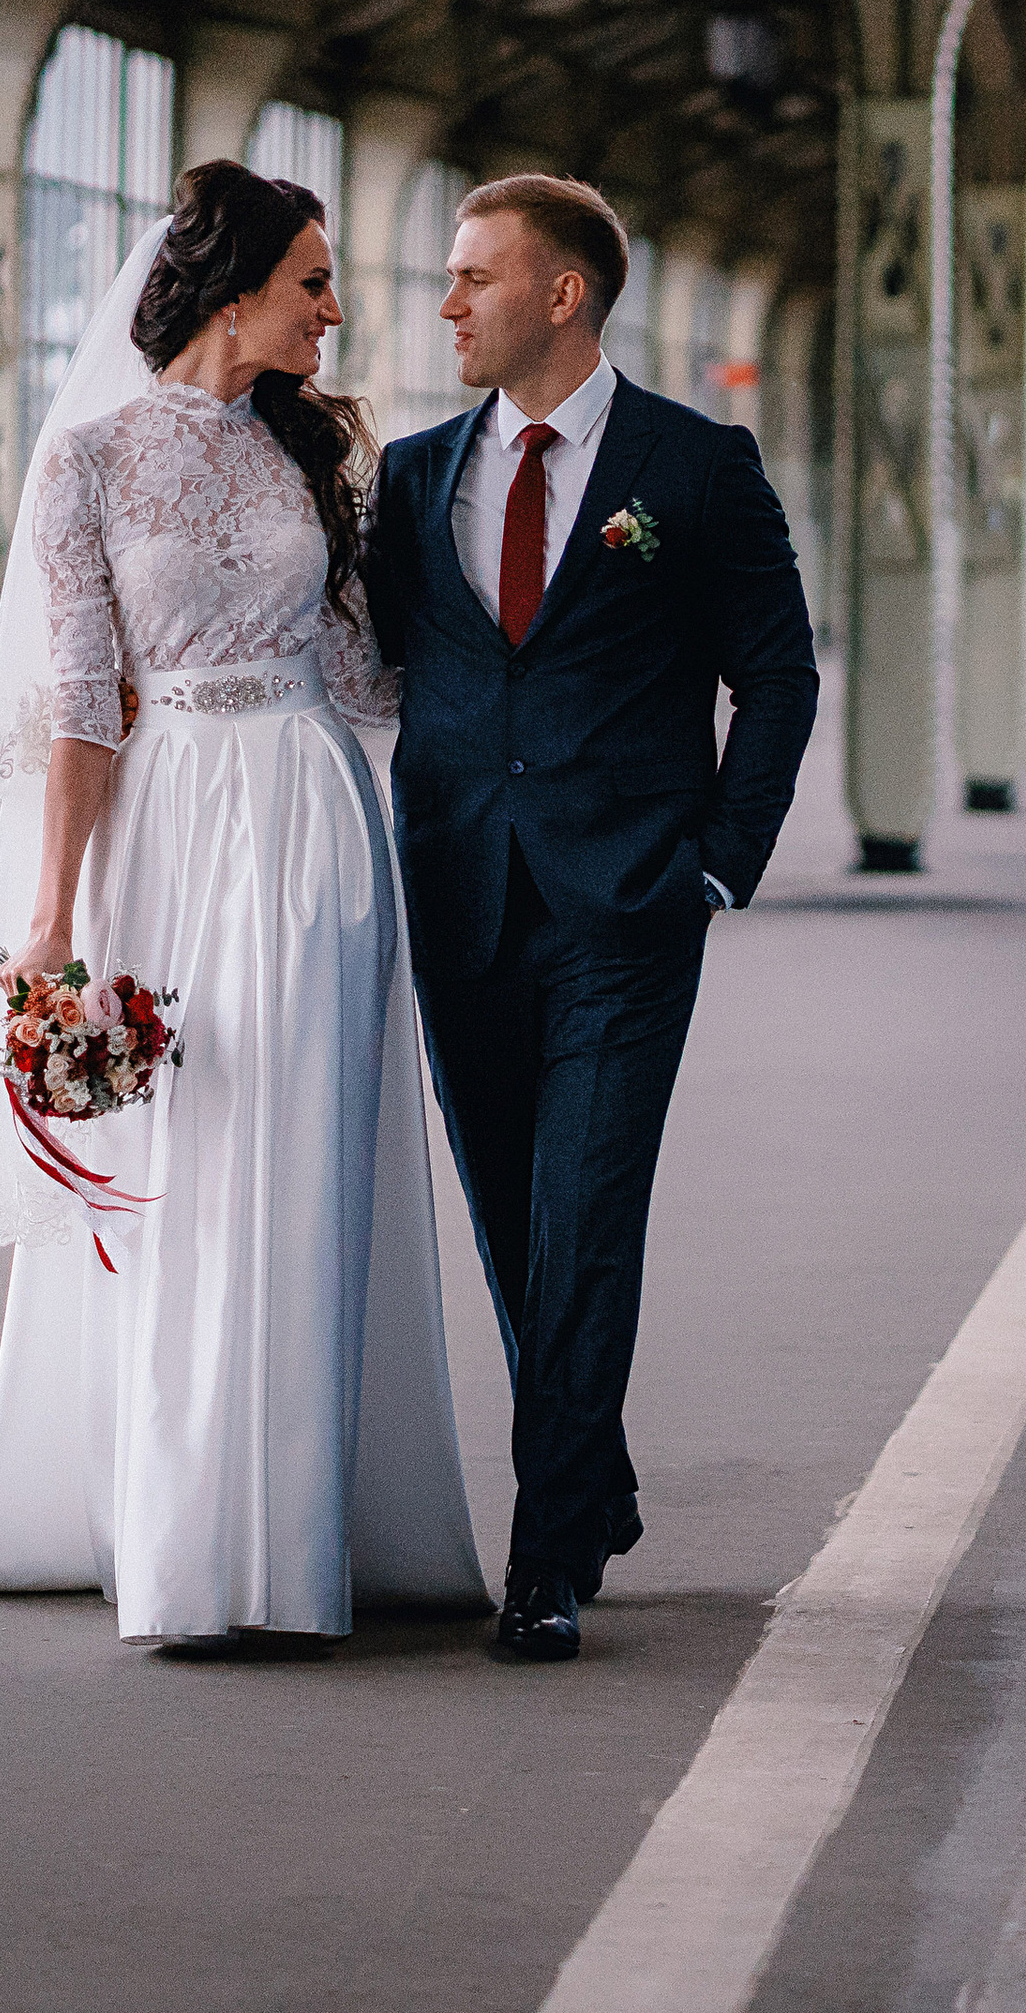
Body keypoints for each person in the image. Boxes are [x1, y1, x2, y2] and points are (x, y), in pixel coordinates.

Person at [0, 161, 486, 1646]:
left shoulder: (315, 457)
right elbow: (80, 705)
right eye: (313, 280)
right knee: (179, 1162)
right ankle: (185, 1546)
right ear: (234, 289)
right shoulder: (90, 461)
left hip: (314, 822)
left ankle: (293, 1543)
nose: (334, 309)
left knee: (302, 1157)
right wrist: (53, 919)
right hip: (169, 828)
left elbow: (368, 672)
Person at [367, 173, 818, 1662]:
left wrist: (720, 862)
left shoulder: (694, 468)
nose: (447, 303)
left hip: (628, 909)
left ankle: (548, 1551)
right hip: (464, 901)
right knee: (514, 1218)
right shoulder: (414, 479)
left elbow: (778, 673)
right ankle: (594, 1479)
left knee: (586, 1216)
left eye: (475, 277)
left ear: (562, 295)